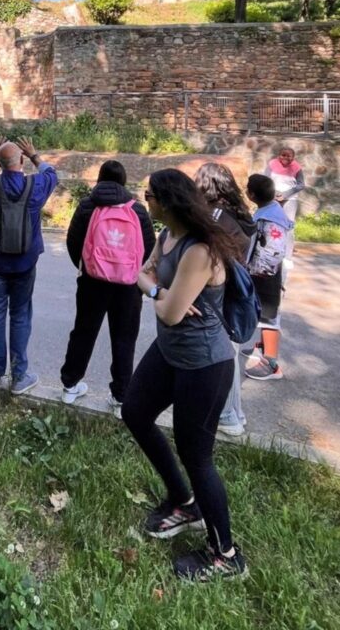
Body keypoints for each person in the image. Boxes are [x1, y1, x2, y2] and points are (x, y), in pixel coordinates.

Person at [121, 168, 246, 581]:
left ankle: (226, 555)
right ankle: (183, 501)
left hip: (205, 364)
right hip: (170, 352)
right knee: (135, 411)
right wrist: (159, 291)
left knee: (197, 456)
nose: (145, 199)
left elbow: (172, 315)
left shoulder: (199, 250)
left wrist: (161, 296)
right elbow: (140, 276)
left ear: (166, 201)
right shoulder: (167, 236)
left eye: (149, 195)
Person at [60, 159, 155, 414]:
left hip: (92, 283)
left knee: (83, 332)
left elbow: (73, 242)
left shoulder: (87, 205)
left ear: (100, 179)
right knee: (124, 338)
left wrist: (88, 267)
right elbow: (148, 246)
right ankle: (121, 395)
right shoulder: (137, 210)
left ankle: (70, 385)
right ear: (124, 180)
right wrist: (129, 271)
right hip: (128, 285)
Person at [0, 136, 58, 395]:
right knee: (20, 315)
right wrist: (34, 155)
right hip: (25, 263)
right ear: (21, 161)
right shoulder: (36, 185)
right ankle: (19, 376)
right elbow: (52, 174)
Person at [194, 162, 257, 438]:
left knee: (222, 355)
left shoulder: (216, 217)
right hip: (236, 292)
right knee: (227, 352)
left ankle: (228, 415)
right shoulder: (239, 215)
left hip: (221, 295)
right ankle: (234, 413)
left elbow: (204, 256)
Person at [244, 174, 292, 381]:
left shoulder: (270, 218)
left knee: (269, 316)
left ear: (251, 195)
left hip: (267, 274)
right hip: (266, 272)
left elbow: (272, 252)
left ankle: (271, 364)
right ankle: (262, 347)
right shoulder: (270, 210)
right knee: (263, 313)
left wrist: (255, 272)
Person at [265, 147, 304, 280]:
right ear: (279, 155)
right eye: (283, 155)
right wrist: (275, 193)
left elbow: (301, 185)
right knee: (270, 225)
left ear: (293, 157)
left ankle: (287, 257)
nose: (286, 158)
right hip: (273, 198)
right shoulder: (272, 164)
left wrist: (286, 194)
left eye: (289, 156)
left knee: (289, 227)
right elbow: (266, 180)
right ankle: (270, 252)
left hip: (290, 199)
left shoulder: (297, 168)